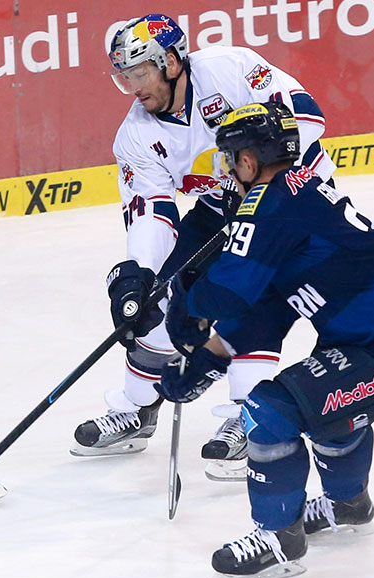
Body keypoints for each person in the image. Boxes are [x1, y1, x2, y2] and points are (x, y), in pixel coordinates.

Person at [156, 102, 374, 578]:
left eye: (230, 159)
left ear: (249, 161)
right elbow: (267, 311)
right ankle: (347, 505)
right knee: (325, 409)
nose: (228, 171)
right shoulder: (296, 196)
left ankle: (279, 537)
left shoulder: (269, 207)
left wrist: (185, 293)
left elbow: (226, 294)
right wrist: (205, 362)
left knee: (270, 410)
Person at [71, 15, 337, 483]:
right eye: (123, 77)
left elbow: (308, 116)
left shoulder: (232, 68)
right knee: (158, 306)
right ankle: (139, 407)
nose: (132, 87)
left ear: (170, 62)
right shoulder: (136, 136)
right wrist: (142, 273)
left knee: (249, 300)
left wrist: (254, 165)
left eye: (138, 73)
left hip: (290, 196)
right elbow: (152, 210)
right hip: (220, 206)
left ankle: (252, 415)